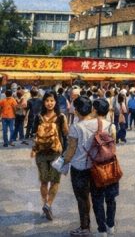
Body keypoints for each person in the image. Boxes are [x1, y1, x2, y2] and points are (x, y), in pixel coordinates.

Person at [64, 97, 118, 236]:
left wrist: (63, 162)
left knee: (83, 199)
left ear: (76, 111)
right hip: (101, 166)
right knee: (106, 198)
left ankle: (85, 227)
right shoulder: (109, 125)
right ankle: (108, 226)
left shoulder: (76, 127)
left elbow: (71, 149)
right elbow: (113, 147)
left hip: (80, 168)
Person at [30, 91, 68, 221]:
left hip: (52, 153)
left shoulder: (60, 117)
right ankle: (48, 204)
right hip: (47, 153)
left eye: (52, 100)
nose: (49, 103)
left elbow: (65, 136)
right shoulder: (57, 117)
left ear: (55, 102)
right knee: (49, 181)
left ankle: (46, 205)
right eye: (47, 101)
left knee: (49, 181)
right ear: (43, 102)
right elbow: (65, 136)